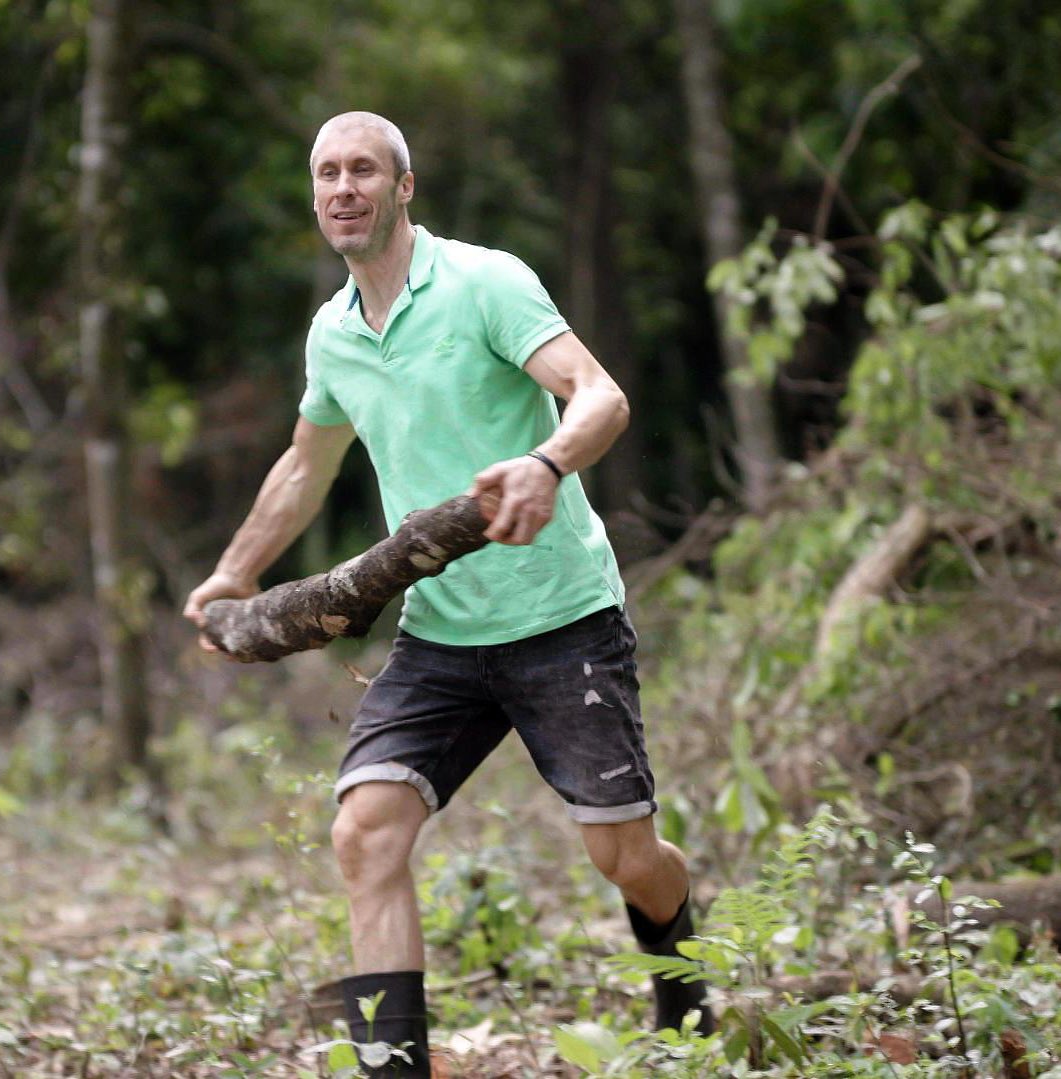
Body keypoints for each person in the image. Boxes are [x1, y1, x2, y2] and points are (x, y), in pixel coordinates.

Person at [183, 111, 712, 1077]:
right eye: (327, 174)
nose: (343, 188)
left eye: (364, 171)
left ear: (403, 188)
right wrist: (237, 570)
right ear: (314, 196)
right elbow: (307, 463)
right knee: (363, 832)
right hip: (440, 634)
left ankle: (683, 962)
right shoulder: (333, 333)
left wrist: (546, 463)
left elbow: (599, 394)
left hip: (562, 618)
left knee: (623, 857)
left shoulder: (484, 283)